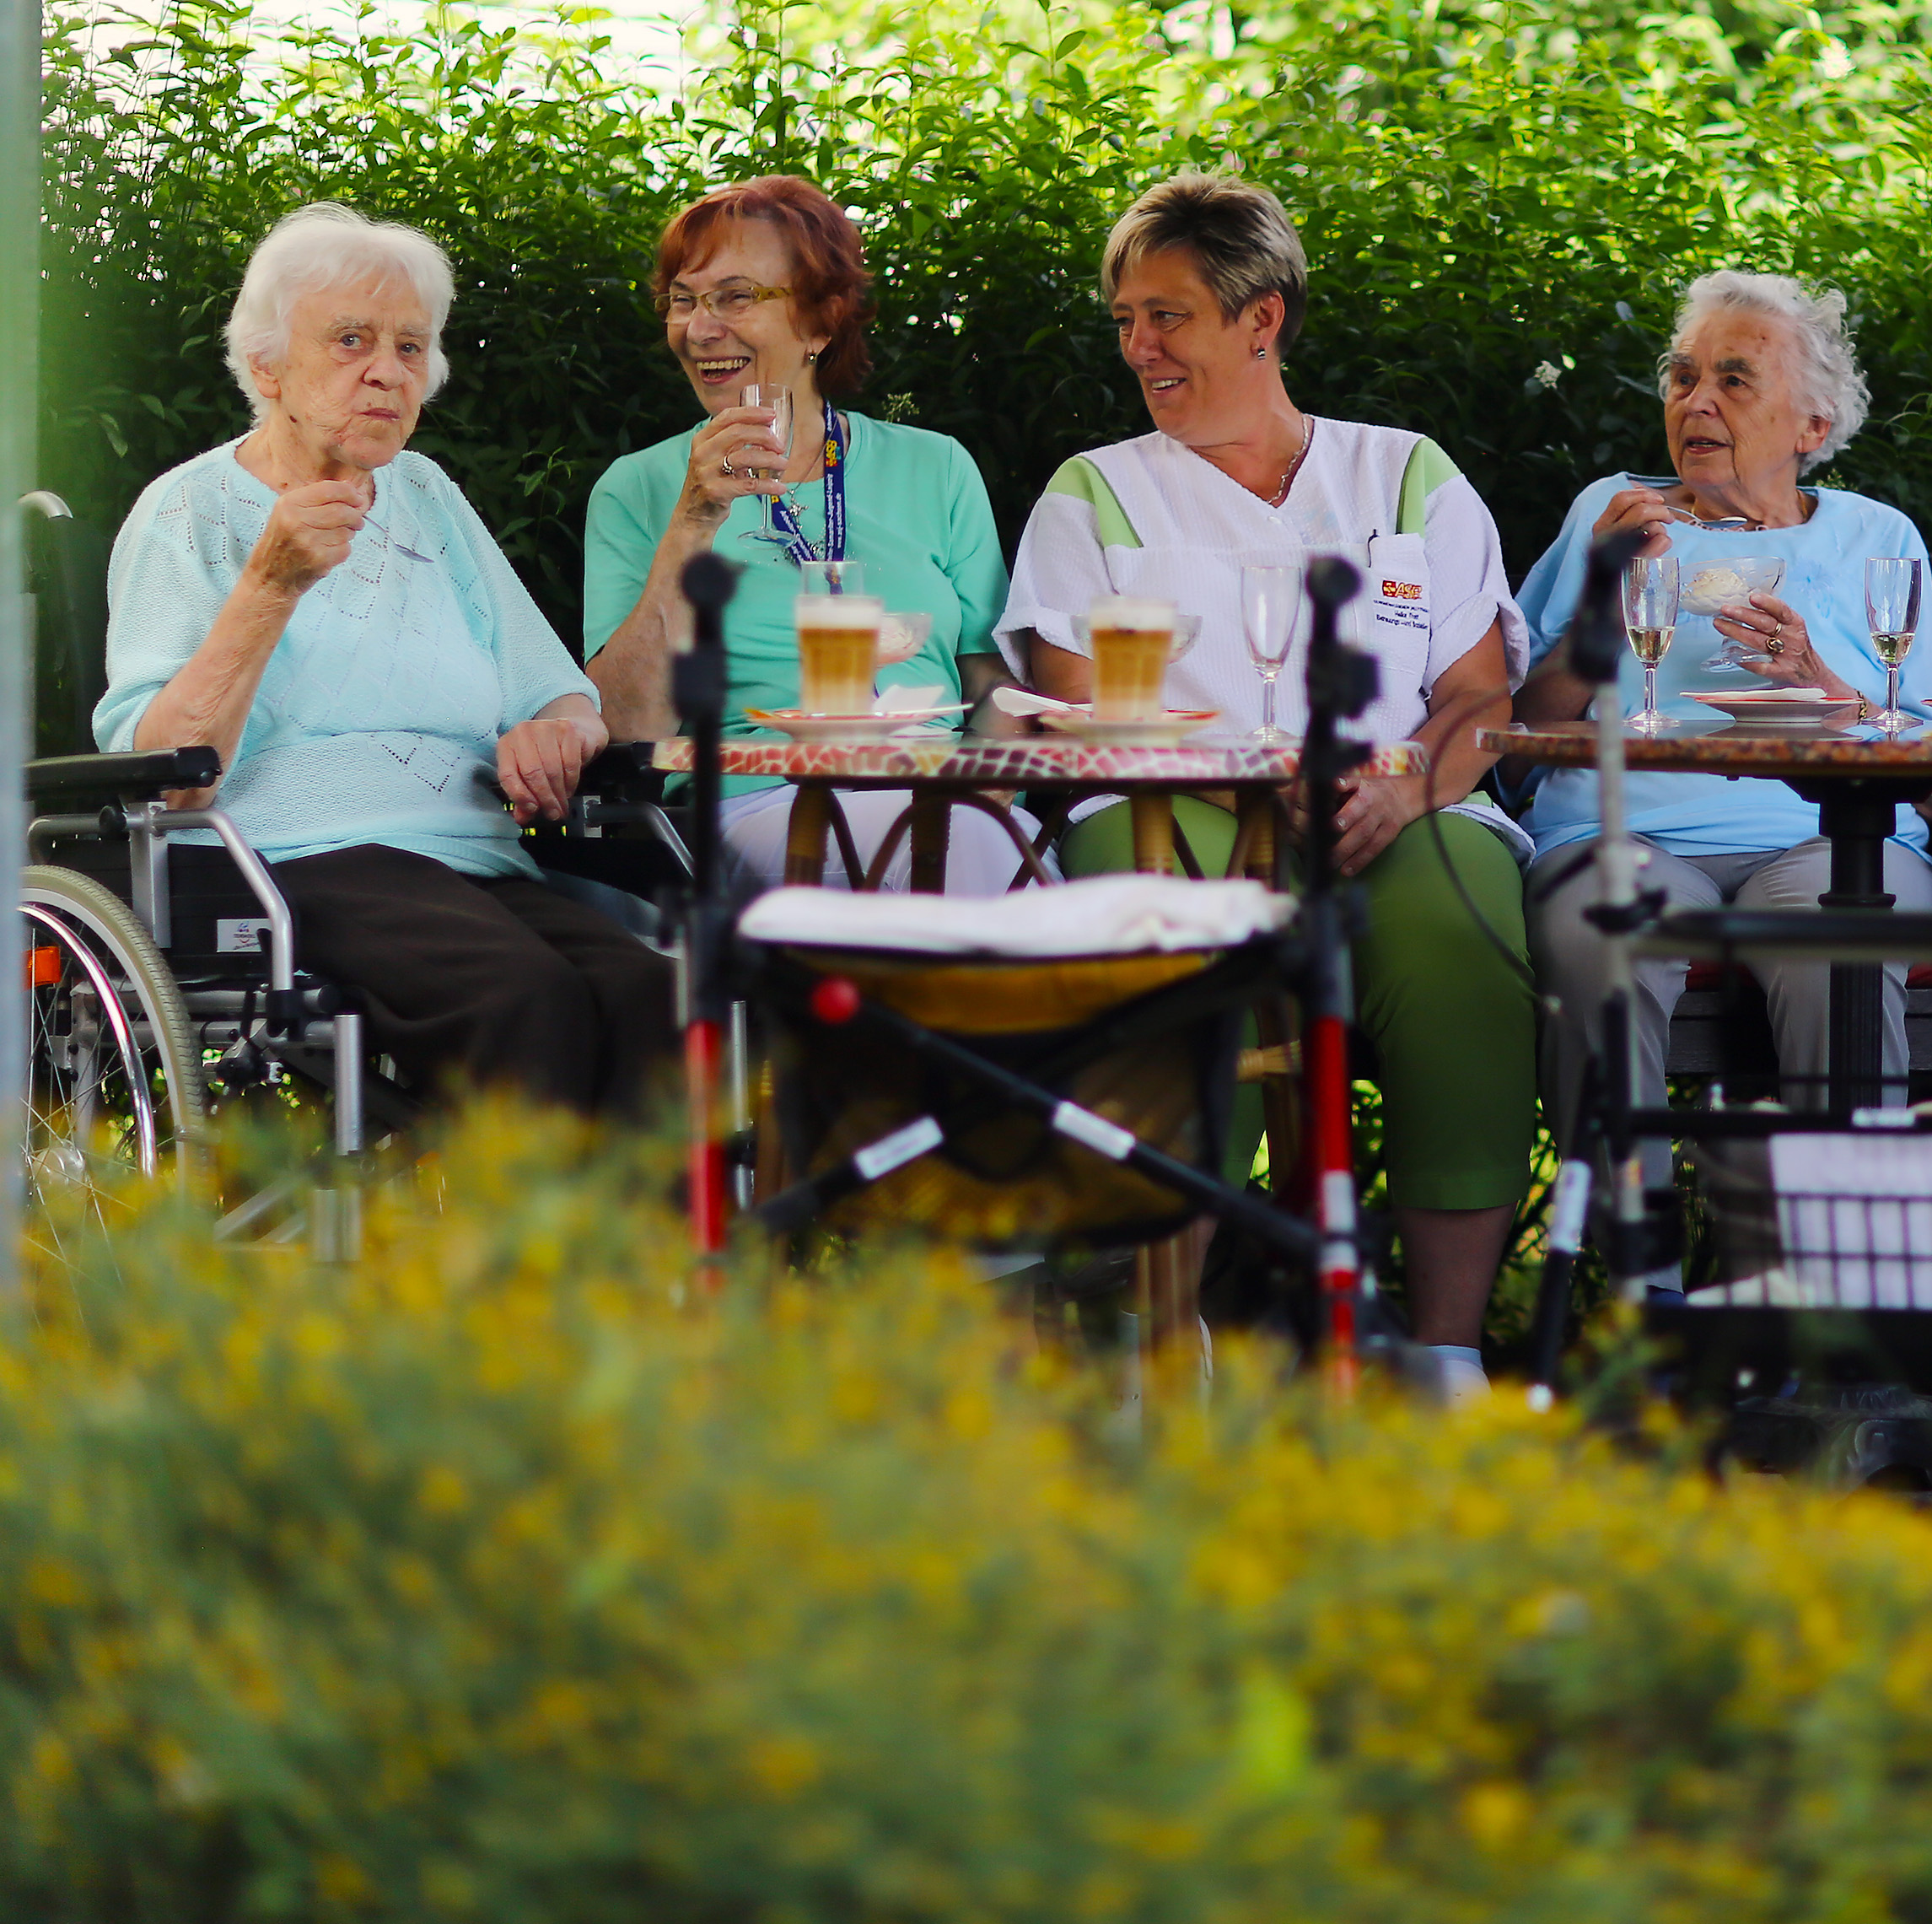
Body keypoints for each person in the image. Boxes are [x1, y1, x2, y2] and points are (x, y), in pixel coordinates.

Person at [995, 173, 1533, 1395]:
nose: (1139, 346)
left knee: (1464, 928)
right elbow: (1081, 706)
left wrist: (1401, 784)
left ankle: (1446, 1352)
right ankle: (1158, 1347)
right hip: (1166, 799)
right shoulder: (1096, 490)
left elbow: (1478, 700)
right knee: (1159, 941)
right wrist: (1239, 780)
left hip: (1398, 800)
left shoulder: (1406, 474)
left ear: (1262, 319)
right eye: (1126, 319)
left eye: (1167, 315)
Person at [95, 203, 673, 1114]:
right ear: (267, 365)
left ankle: (647, 1257)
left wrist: (555, 735)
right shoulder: (189, 513)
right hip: (295, 863)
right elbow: (167, 778)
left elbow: (560, 691)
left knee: (652, 994)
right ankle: (515, 1257)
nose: (386, 372)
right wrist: (270, 587)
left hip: (475, 861)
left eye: (411, 347)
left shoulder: (428, 496)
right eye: (352, 340)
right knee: (526, 999)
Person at [1516, 270, 1932, 1143]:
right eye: (1683, 377)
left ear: (1812, 427)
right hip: (1617, 840)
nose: (1696, 401)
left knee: (1844, 945)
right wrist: (1604, 591)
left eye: (1733, 379)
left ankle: (1838, 1264)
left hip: (1837, 840)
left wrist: (1815, 680)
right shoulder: (1612, 514)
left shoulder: (1876, 537)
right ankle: (1640, 1272)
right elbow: (1524, 728)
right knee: (1604, 938)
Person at [583, 175, 1029, 892]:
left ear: (822, 321)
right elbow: (622, 725)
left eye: (736, 297)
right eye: (685, 300)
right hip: (757, 800)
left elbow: (994, 683)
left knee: (1033, 879)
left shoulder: (936, 467)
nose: (700, 329)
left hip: (941, 796)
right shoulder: (638, 489)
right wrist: (695, 517)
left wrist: (988, 792)